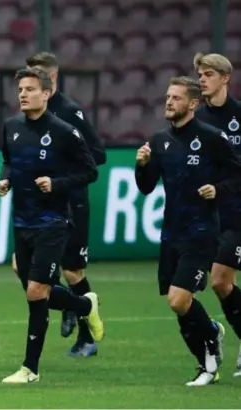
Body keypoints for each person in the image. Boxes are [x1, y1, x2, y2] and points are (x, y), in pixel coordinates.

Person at [0, 68, 103, 384]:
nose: (23, 94)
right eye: (20, 89)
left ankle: (30, 369)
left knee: (36, 291)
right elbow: (8, 161)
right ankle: (84, 303)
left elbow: (90, 172)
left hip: (53, 221)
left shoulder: (64, 131)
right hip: (21, 221)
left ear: (46, 93)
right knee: (34, 290)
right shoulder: (11, 127)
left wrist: (57, 184)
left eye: (30, 89)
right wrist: (5, 179)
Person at [134, 76, 241, 386]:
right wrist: (141, 165)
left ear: (193, 104)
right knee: (178, 305)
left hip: (202, 232)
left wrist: (217, 189)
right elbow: (145, 187)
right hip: (171, 234)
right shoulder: (159, 141)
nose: (169, 102)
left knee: (179, 301)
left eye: (176, 98)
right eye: (168, 97)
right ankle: (209, 346)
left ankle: (208, 362)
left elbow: (237, 176)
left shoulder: (212, 138)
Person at [24, 52, 106, 356]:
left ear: (52, 79)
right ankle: (71, 306)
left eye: (36, 76)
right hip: (37, 207)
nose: (27, 84)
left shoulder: (70, 112)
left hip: (70, 202)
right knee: (26, 268)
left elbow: (97, 154)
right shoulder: (29, 117)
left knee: (72, 272)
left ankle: (86, 334)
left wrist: (60, 172)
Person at [193, 52, 241, 377]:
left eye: (208, 74)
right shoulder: (198, 119)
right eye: (199, 75)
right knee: (221, 283)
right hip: (213, 214)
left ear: (225, 78)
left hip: (238, 210)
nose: (202, 80)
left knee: (221, 279)